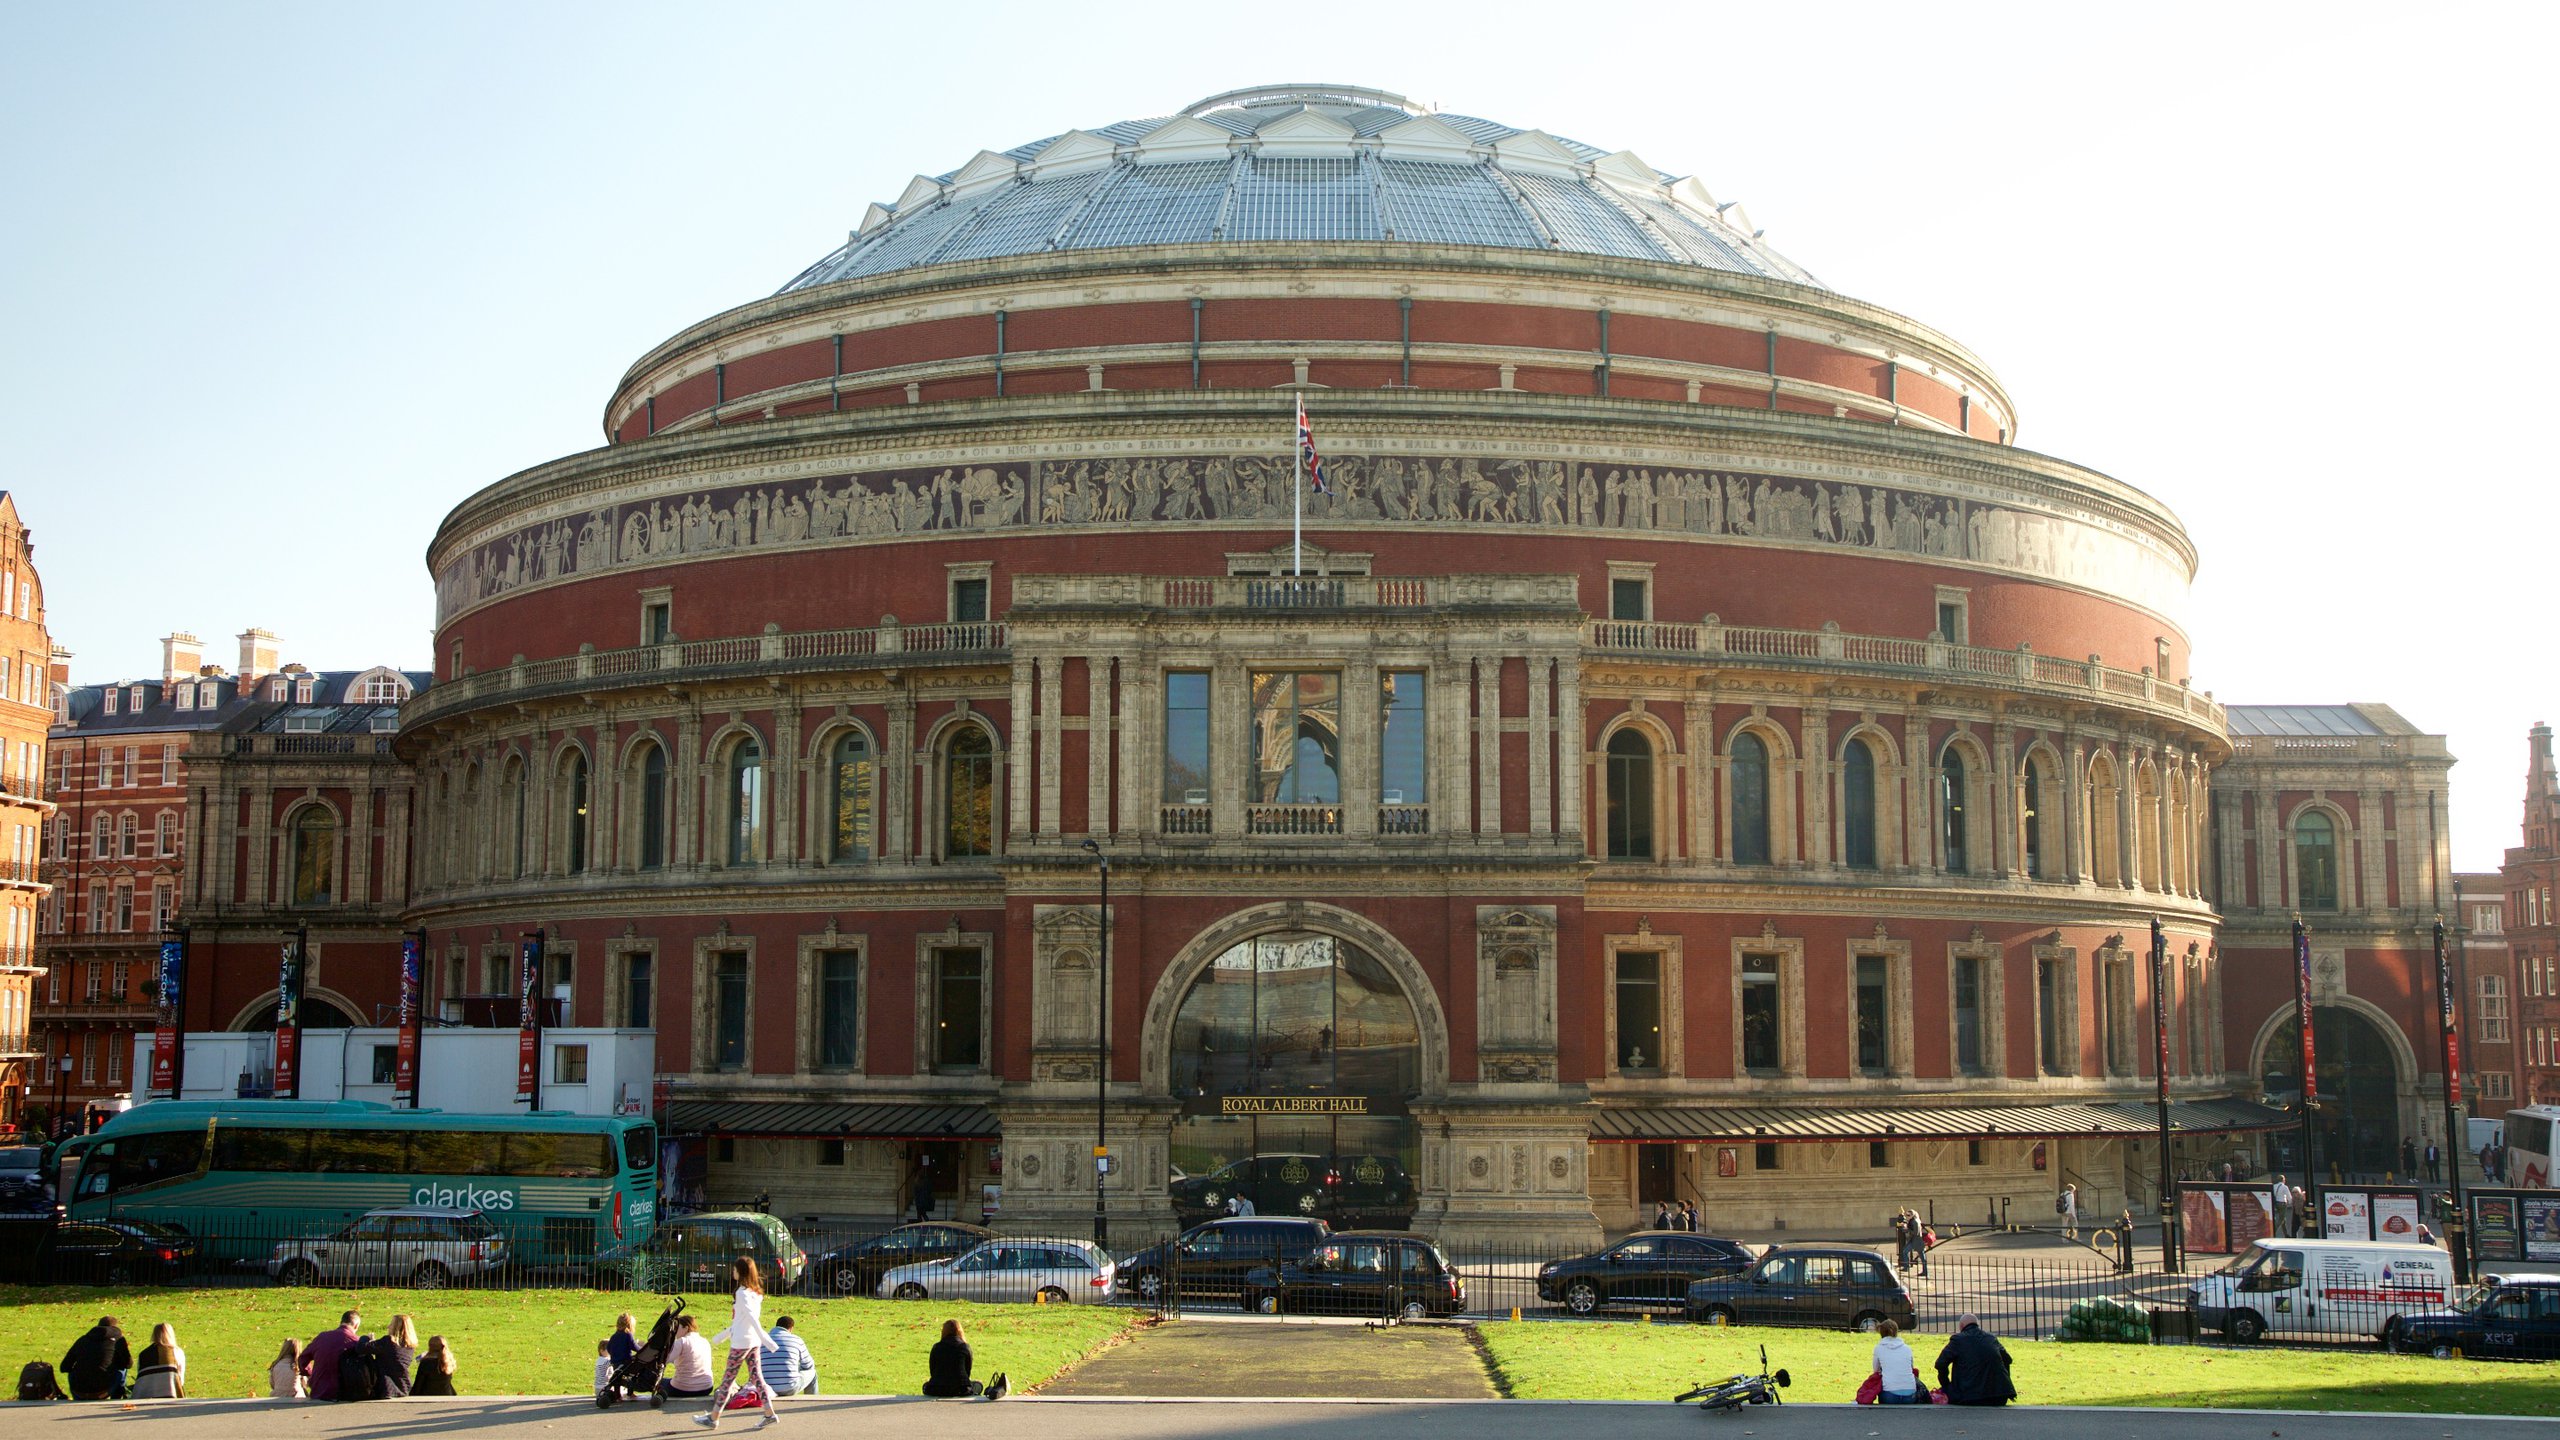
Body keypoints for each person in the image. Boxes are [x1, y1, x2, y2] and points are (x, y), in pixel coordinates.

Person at [693, 1256, 779, 1430]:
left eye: (735, 1270)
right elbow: (742, 1320)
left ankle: (714, 1417)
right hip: (751, 1341)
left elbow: (750, 1318)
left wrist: (765, 1338)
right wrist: (724, 1335)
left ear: (741, 1272)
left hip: (741, 1343)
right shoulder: (755, 1293)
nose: (732, 1272)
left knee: (727, 1380)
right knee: (757, 1378)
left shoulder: (742, 1293)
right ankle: (769, 1413)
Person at [1934, 1313, 2015, 1407]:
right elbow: (2008, 1360)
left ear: (1961, 1326)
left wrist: (1947, 1387)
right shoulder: (1991, 1338)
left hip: (1968, 1397)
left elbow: (1940, 1364)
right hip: (1998, 1397)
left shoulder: (1958, 1340)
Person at [923, 1318, 1004, 1400]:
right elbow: (967, 1370)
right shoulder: (964, 1347)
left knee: (926, 1385)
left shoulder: (937, 1347)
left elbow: (932, 1370)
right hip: (961, 1389)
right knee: (975, 1385)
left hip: (936, 1389)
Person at [60, 1316, 131, 1401]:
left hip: (79, 1391)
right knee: (122, 1369)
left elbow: (64, 1367)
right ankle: (117, 1398)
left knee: (73, 1373)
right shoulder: (119, 1340)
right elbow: (128, 1364)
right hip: (103, 1391)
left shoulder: (83, 1340)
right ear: (116, 1327)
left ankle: (80, 1397)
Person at [302, 1312, 361, 1402]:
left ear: (341, 1322)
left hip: (319, 1391)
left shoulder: (322, 1337)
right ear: (356, 1326)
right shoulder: (356, 1341)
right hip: (344, 1394)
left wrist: (310, 1375)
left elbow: (303, 1358)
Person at [658, 1316, 714, 1403]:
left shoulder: (682, 1341)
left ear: (686, 1328)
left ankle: (660, 1396)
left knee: (657, 1382)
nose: (675, 1332)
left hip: (683, 1389)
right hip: (707, 1387)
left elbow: (664, 1360)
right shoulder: (705, 1341)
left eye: (677, 1328)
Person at [1870, 1319, 1925, 1405]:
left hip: (1890, 1395)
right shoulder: (1907, 1348)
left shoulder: (1879, 1348)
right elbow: (1911, 1368)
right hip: (1910, 1394)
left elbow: (1876, 1370)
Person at [759, 1316, 816, 1398]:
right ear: (791, 1328)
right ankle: (812, 1401)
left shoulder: (762, 1340)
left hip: (765, 1387)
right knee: (812, 1373)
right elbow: (808, 1365)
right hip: (790, 1387)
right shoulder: (796, 1340)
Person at [369, 1315, 419, 1399]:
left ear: (396, 1327)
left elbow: (362, 1348)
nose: (388, 1326)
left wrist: (366, 1338)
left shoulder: (388, 1341)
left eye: (391, 1324)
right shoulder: (410, 1346)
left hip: (386, 1386)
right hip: (404, 1386)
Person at [131, 1323, 185, 1400]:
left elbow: (140, 1376)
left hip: (144, 1395)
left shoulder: (143, 1354)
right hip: (171, 1393)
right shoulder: (177, 1351)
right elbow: (180, 1377)